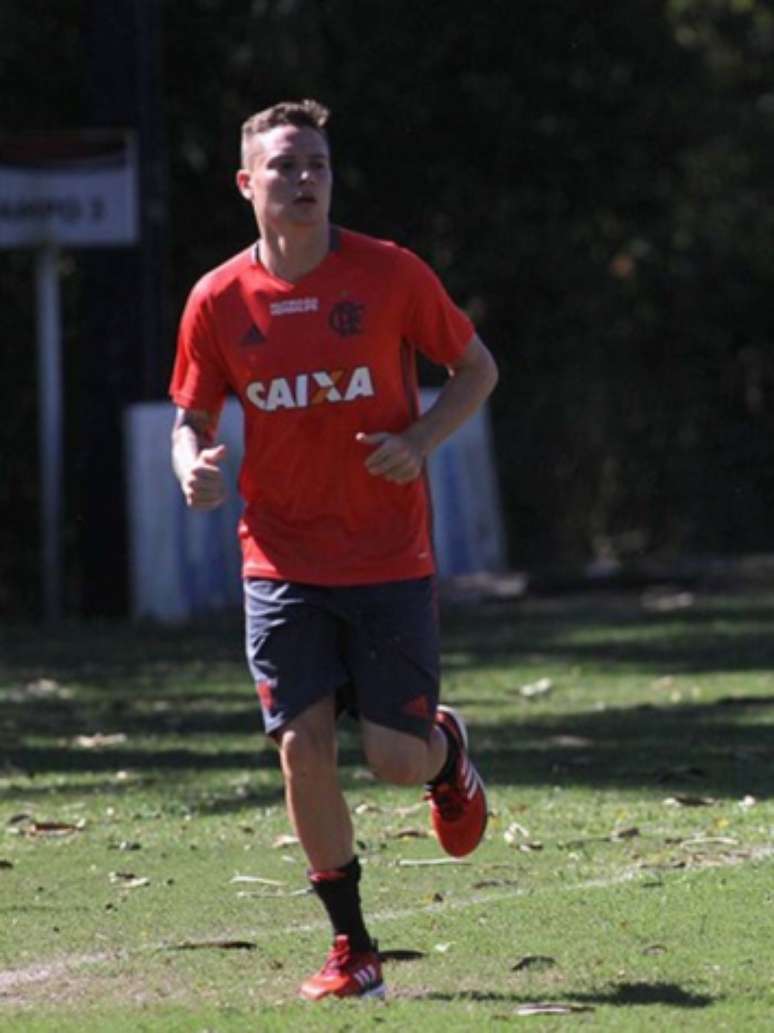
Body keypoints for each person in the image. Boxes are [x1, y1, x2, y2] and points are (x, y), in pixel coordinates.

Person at [169, 98, 498, 1001]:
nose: (304, 180)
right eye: (284, 166)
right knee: (301, 749)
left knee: (394, 759)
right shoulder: (218, 299)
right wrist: (190, 462)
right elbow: (190, 416)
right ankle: (353, 948)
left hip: (388, 556)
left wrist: (423, 439)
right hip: (279, 559)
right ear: (248, 184)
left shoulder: (389, 275)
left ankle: (445, 751)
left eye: (316, 164)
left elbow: (477, 369)